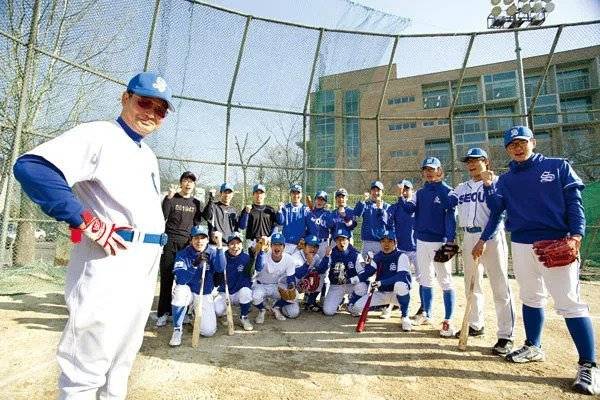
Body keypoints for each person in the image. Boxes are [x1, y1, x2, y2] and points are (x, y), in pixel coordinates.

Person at [13, 71, 174, 398]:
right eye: (145, 102)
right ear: (125, 98)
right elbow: (32, 167)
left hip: (143, 267)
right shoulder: (100, 134)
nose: (151, 114)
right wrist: (84, 220)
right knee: (85, 370)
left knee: (120, 367)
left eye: (160, 110)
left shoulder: (146, 154)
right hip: (110, 263)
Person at [483, 125, 599, 395]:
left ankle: (589, 365)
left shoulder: (557, 166)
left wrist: (577, 235)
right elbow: (496, 209)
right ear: (507, 150)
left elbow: (574, 202)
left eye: (522, 142)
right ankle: (534, 346)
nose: (518, 147)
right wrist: (490, 187)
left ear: (533, 142)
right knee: (531, 297)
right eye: (512, 145)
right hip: (522, 243)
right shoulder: (506, 179)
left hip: (557, 240)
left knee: (569, 302)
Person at [447, 147, 516, 355]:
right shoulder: (462, 187)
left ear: (485, 161)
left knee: (499, 285)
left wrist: (483, 239)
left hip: (492, 237)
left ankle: (506, 335)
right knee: (472, 284)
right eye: (468, 161)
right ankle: (475, 324)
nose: (470, 164)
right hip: (469, 236)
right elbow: (447, 201)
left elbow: (498, 214)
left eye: (475, 160)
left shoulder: (497, 182)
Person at [396, 157, 458, 337]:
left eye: (433, 169)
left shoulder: (447, 191)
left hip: (440, 241)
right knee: (425, 278)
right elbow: (409, 210)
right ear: (423, 172)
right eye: (426, 169)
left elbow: (451, 216)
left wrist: (450, 240)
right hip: (421, 241)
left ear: (440, 170)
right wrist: (401, 196)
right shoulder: (420, 193)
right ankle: (426, 313)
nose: (429, 172)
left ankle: (448, 319)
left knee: (445, 280)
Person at [156, 171, 204, 327]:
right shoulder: (172, 198)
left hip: (186, 245)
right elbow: (163, 215)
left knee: (186, 279)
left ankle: (185, 312)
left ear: (194, 185)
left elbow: (197, 224)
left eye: (191, 181)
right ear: (180, 183)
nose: (188, 183)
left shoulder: (196, 203)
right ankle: (163, 313)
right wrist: (168, 198)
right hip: (170, 241)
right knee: (167, 278)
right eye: (185, 180)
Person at [169, 227, 225, 346]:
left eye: (202, 238)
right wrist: (194, 265)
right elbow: (181, 279)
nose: (199, 241)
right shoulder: (183, 254)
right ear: (191, 240)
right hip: (188, 290)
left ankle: (194, 313)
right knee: (180, 291)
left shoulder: (212, 252)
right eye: (196, 238)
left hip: (203, 292)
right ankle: (177, 329)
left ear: (207, 239)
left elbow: (220, 268)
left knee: (208, 331)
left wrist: (220, 245)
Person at [348, 230, 412, 332]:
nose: (386, 244)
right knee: (356, 308)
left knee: (400, 285)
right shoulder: (378, 256)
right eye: (383, 241)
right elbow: (367, 273)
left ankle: (405, 316)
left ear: (395, 243)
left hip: (396, 294)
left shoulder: (401, 256)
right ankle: (382, 306)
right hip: (381, 293)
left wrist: (381, 282)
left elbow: (400, 276)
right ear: (380, 243)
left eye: (389, 241)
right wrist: (351, 279)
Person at [379, 179, 419, 320]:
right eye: (402, 189)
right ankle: (390, 305)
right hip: (401, 250)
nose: (405, 191)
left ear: (411, 190)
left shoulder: (416, 205)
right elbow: (388, 226)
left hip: (417, 248)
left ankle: (423, 310)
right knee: (396, 279)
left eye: (407, 189)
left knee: (422, 279)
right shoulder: (395, 208)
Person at [317, 228, 374, 316]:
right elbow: (321, 270)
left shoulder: (355, 254)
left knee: (362, 286)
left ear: (348, 239)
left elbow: (363, 275)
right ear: (335, 241)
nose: (341, 242)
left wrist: (350, 280)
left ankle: (351, 302)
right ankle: (340, 300)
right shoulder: (332, 253)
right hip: (336, 286)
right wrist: (326, 256)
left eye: (343, 239)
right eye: (338, 240)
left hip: (352, 285)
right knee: (328, 312)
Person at [252, 232, 301, 322]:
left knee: (294, 295)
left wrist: (291, 287)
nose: (277, 247)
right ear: (271, 246)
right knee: (255, 297)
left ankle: (276, 307)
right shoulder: (264, 255)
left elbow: (290, 278)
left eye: (280, 245)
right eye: (275, 244)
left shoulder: (289, 259)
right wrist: (261, 251)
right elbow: (258, 267)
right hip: (261, 284)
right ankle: (262, 310)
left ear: (284, 247)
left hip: (276, 286)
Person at [214, 232, 255, 331]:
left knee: (246, 292)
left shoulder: (246, 258)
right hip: (225, 292)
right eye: (232, 243)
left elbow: (252, 273)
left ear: (241, 245)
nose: (235, 246)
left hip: (238, 292)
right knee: (217, 310)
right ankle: (225, 314)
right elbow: (217, 274)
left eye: (238, 243)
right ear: (228, 245)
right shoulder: (222, 257)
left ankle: (244, 317)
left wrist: (255, 257)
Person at [354, 180, 389, 257]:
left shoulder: (386, 206)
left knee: (380, 267)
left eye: (378, 190)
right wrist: (363, 201)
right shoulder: (366, 204)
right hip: (367, 242)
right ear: (370, 192)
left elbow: (386, 221)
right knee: (365, 266)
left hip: (381, 242)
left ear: (382, 192)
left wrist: (380, 208)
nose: (375, 193)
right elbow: (357, 214)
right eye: (373, 190)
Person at [238, 183, 277, 253]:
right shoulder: (248, 208)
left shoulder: (270, 209)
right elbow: (242, 226)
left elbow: (275, 226)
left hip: (265, 241)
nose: (259, 195)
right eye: (256, 193)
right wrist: (247, 213)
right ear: (253, 194)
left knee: (264, 263)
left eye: (261, 193)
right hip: (252, 241)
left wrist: (269, 238)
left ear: (265, 195)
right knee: (250, 263)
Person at [277, 184, 311, 254]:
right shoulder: (285, 208)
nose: (295, 195)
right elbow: (280, 222)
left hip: (300, 245)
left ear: (301, 195)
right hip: (286, 244)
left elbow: (310, 228)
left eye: (298, 193)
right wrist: (279, 210)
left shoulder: (306, 209)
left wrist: (304, 239)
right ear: (290, 194)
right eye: (293, 193)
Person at [292, 235, 322, 312]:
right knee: (293, 313)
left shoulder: (316, 257)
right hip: (291, 285)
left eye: (316, 247)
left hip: (301, 283)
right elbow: (297, 275)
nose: (313, 249)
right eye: (310, 246)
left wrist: (327, 256)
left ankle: (310, 301)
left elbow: (322, 270)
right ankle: (280, 303)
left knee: (320, 274)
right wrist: (307, 264)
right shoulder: (295, 257)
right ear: (304, 246)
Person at [307, 190, 331, 258]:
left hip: (323, 243)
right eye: (318, 199)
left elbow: (331, 225)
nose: (320, 201)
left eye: (322, 200)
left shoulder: (328, 214)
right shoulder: (309, 213)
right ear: (315, 200)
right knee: (311, 265)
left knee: (322, 265)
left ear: (325, 202)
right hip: (311, 243)